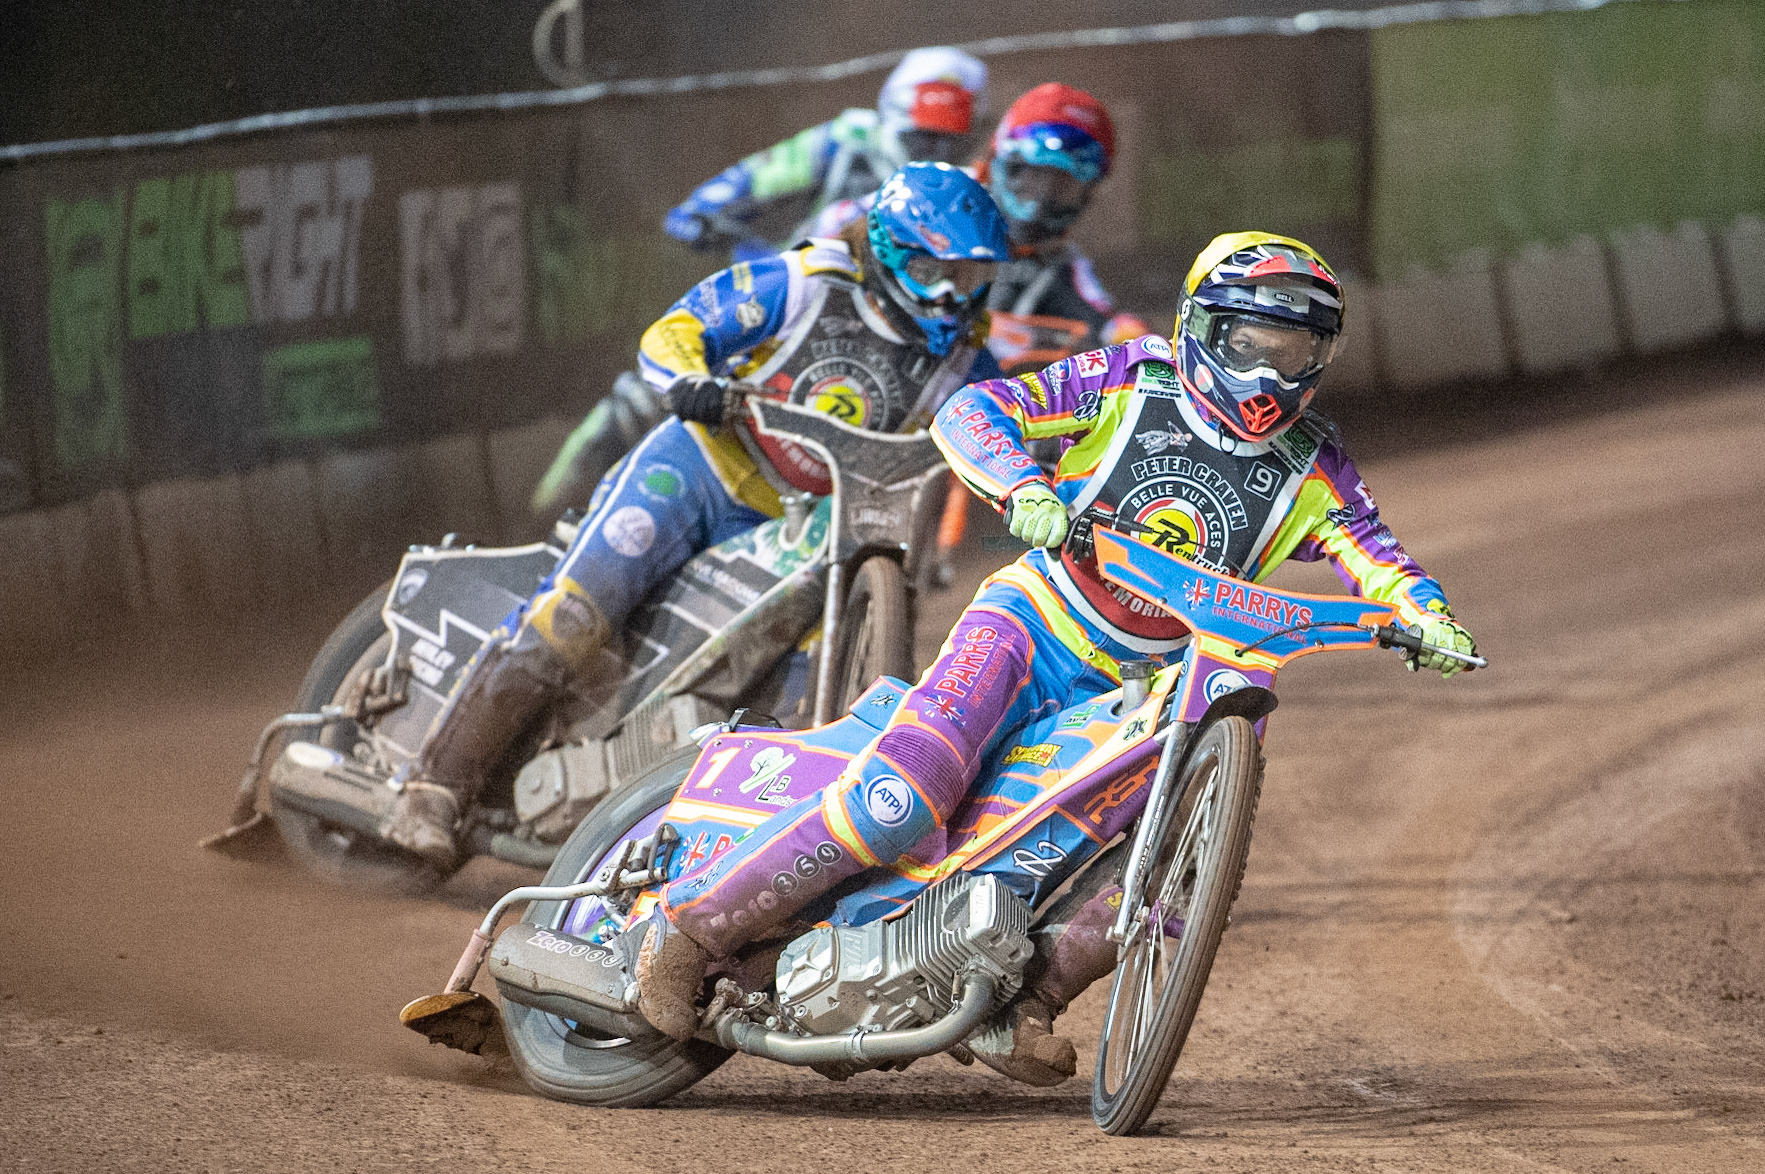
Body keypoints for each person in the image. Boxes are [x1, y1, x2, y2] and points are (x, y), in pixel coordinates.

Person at [631, 232, 1479, 1085]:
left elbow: (1379, 557)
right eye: (1247, 344)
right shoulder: (1130, 378)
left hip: (1149, 688)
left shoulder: (1315, 467)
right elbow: (973, 412)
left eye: (1292, 351)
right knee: (902, 798)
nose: (1267, 372)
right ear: (1198, 327)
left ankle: (1022, 1004)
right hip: (1032, 624)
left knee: (1174, 864)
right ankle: (688, 929)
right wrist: (1023, 486)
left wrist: (1428, 618)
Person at [379, 163, 1011, 865]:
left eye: (972, 275)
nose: (953, 294)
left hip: (801, 527)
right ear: (892, 252)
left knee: (791, 696)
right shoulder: (803, 283)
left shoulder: (965, 359)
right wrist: (691, 382)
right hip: (698, 470)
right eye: (935, 270)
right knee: (572, 619)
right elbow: (675, 332)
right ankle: (431, 786)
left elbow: (1000, 426)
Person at [811, 83, 1149, 578]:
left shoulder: (1058, 263)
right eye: (1029, 175)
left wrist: (1142, 344)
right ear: (998, 156)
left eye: (1062, 186)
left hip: (957, 376)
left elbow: (1106, 316)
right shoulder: (936, 194)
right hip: (860, 359)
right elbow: (843, 224)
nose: (1040, 198)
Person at [664, 46, 988, 261]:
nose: (938, 152)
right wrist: (702, 211)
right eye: (926, 138)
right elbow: (754, 176)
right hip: (816, 278)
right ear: (895, 117)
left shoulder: (981, 174)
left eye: (952, 142)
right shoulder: (849, 138)